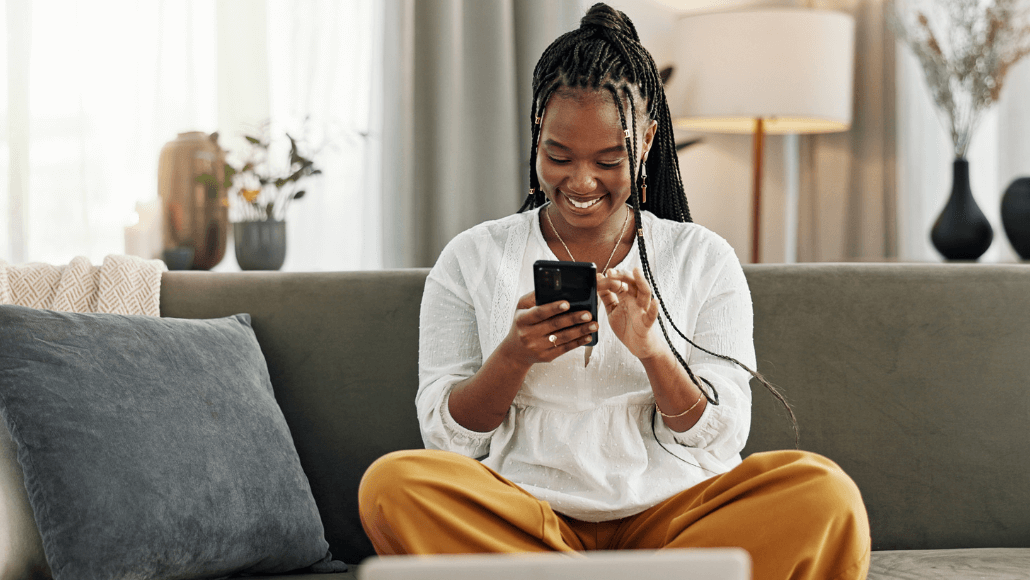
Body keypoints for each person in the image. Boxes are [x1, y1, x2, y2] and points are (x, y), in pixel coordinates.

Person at [358, 4, 870, 579]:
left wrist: (654, 353)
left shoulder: (703, 259)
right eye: (558, 155)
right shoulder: (473, 258)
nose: (580, 182)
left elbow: (720, 440)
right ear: (536, 138)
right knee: (394, 485)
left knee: (825, 495)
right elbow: (446, 441)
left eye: (609, 159)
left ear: (647, 141)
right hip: (527, 516)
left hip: (672, 520)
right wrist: (513, 356)